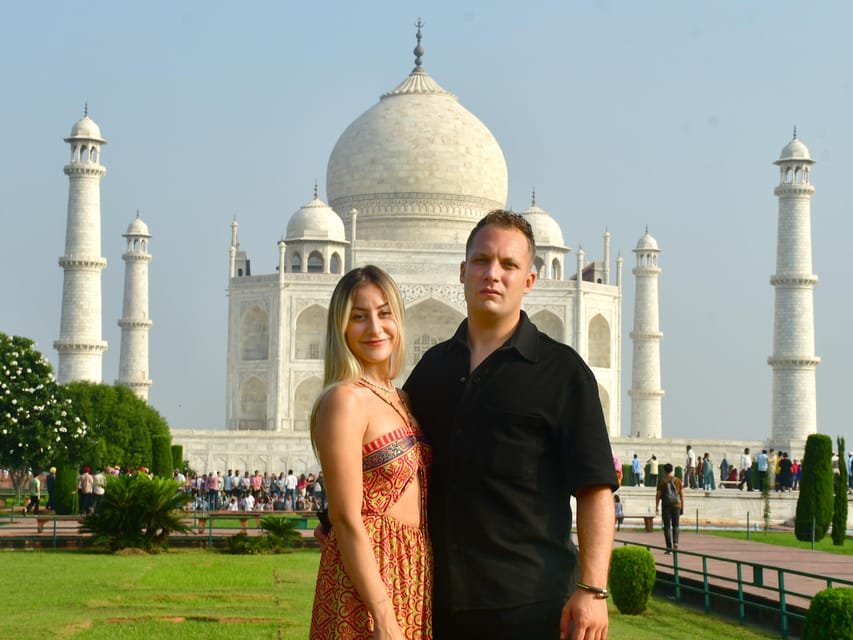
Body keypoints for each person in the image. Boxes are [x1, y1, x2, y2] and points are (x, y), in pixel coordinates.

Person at [405, 211, 616, 639]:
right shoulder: (432, 369)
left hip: (531, 607)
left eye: (508, 265)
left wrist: (593, 589)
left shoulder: (562, 373)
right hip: (438, 603)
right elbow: (393, 455)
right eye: (482, 261)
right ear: (462, 272)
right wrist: (334, 518)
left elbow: (594, 488)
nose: (493, 274)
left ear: (530, 280)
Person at [310, 265, 431, 640]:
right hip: (366, 581)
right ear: (341, 327)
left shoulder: (402, 398)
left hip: (411, 569)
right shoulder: (345, 400)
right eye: (359, 317)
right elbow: (345, 517)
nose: (375, 328)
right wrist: (382, 614)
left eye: (384, 313)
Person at [655, 463, 684, 554]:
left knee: (667, 527)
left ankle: (669, 548)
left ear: (664, 471)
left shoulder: (661, 481)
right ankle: (676, 542)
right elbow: (682, 495)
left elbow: (658, 495)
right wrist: (682, 506)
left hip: (666, 505)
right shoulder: (678, 480)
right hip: (676, 505)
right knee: (676, 525)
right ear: (672, 470)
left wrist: (656, 506)